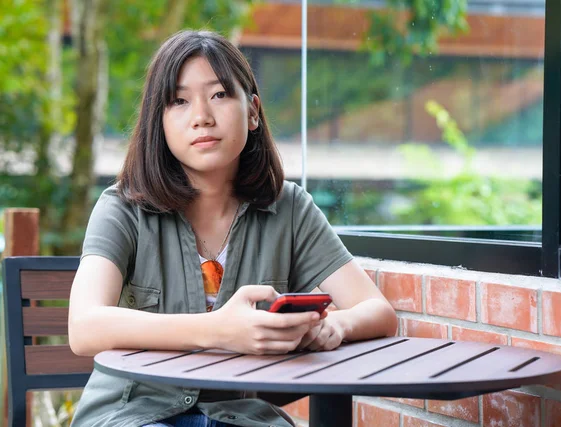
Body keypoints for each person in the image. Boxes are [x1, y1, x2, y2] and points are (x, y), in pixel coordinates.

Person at [68, 29, 397, 427]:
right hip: (132, 415)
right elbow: (84, 327)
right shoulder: (123, 207)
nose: (202, 116)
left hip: (241, 417)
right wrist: (218, 329)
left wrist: (337, 326)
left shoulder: (289, 208)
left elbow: (379, 312)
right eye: (179, 101)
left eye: (220, 94)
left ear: (253, 111)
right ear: (160, 122)